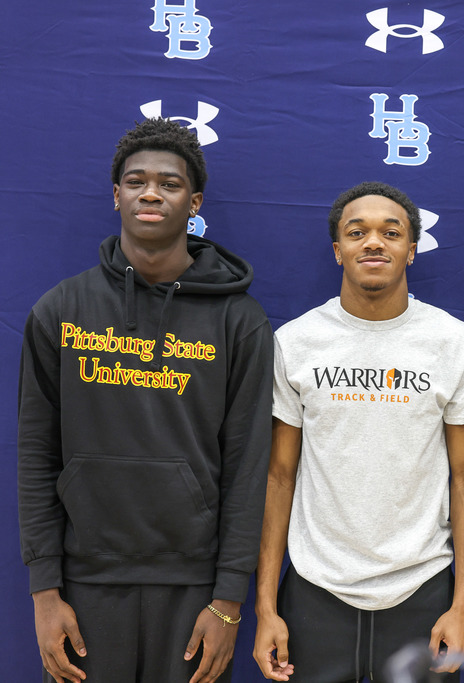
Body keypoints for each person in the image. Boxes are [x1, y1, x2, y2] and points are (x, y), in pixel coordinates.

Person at [18, 117, 273, 683]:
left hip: (194, 590)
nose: (151, 193)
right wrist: (44, 591)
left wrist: (229, 598)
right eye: (136, 182)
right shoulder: (60, 311)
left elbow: (249, 467)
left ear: (194, 201)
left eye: (169, 183)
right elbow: (36, 456)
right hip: (85, 584)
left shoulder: (240, 321)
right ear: (116, 196)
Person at [253, 181, 464, 682]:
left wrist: (462, 605)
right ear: (338, 252)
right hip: (315, 592)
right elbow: (279, 475)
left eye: (391, 232)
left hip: (422, 590)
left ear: (411, 248)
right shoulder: (295, 343)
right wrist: (266, 607)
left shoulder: (452, 343)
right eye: (357, 232)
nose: (374, 242)